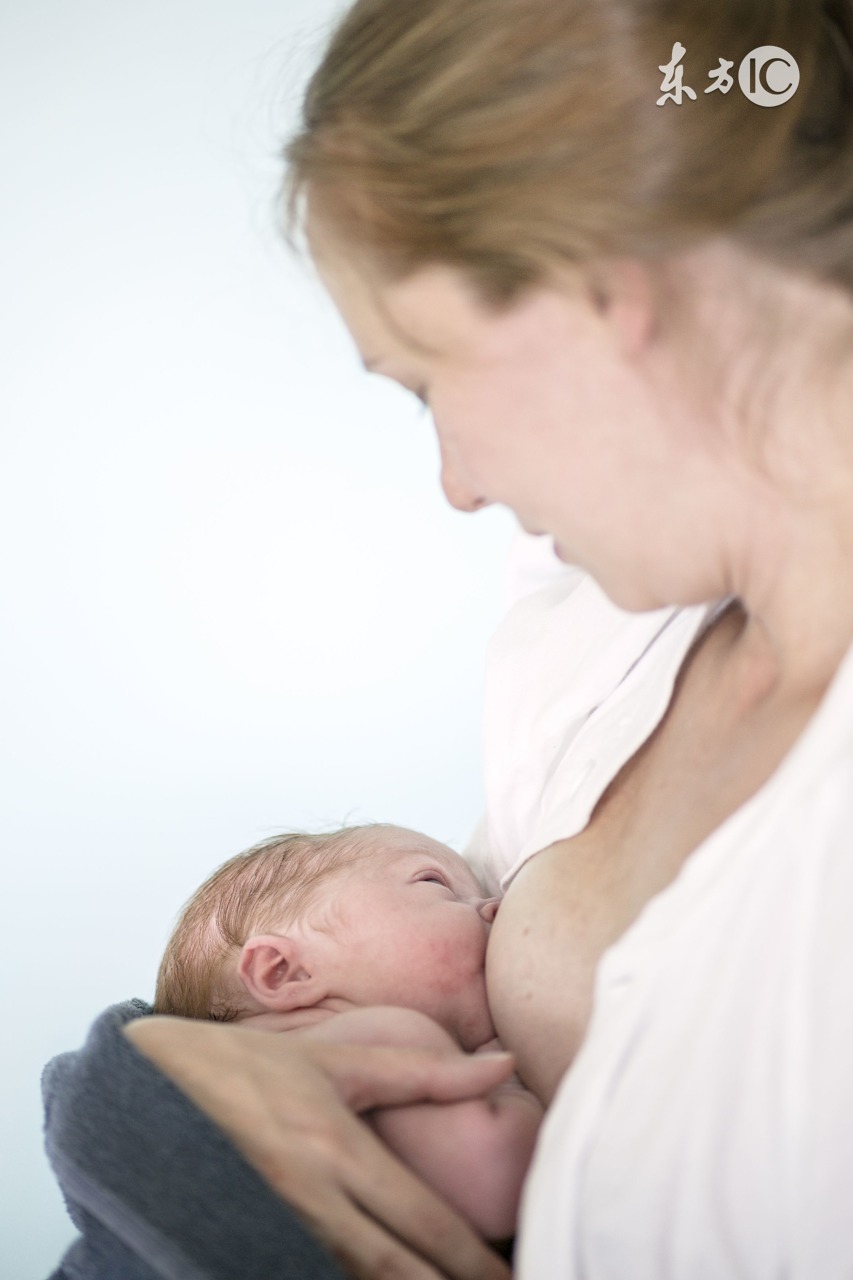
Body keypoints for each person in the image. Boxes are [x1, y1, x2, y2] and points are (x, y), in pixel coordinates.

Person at [42, 0, 853, 1277]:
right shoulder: (588, 631)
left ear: (596, 289)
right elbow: (293, 993)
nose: (457, 484)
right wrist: (136, 1094)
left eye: (427, 378)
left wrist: (132, 1125)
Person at [152, 823, 540, 1242]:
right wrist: (518, 1067)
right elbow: (495, 1185)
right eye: (435, 883)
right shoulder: (382, 1037)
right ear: (284, 971)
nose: (496, 906)